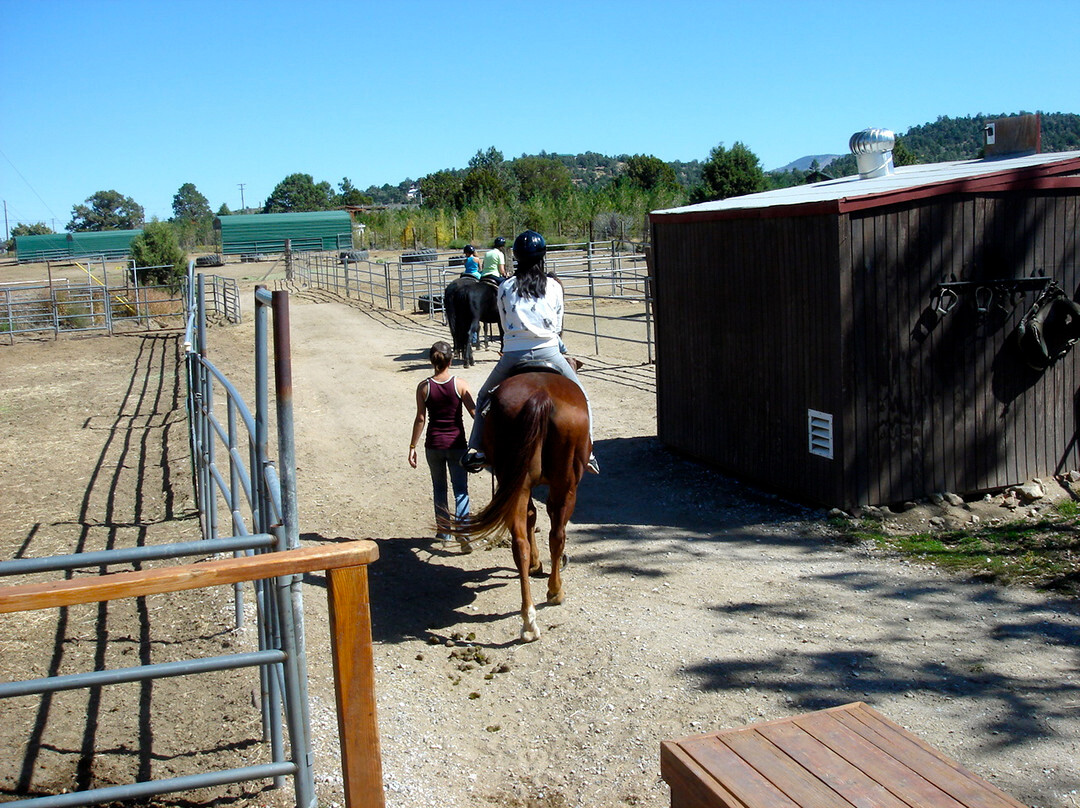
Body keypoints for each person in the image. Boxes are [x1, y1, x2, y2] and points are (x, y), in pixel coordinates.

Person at [462, 230, 599, 475]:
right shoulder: (554, 286)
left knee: (483, 396)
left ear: (516, 257)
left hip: (514, 354)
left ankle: (478, 449)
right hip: (549, 351)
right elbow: (558, 323)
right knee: (582, 396)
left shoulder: (505, 286)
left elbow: (504, 324)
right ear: (542, 256)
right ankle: (588, 453)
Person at [409, 341, 477, 540]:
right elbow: (475, 413)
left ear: (431, 361)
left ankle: (444, 531)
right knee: (461, 490)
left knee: (439, 488)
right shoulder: (460, 384)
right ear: (451, 360)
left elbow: (420, 418)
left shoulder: (424, 387)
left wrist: (412, 446)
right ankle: (463, 530)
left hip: (434, 445)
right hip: (457, 444)